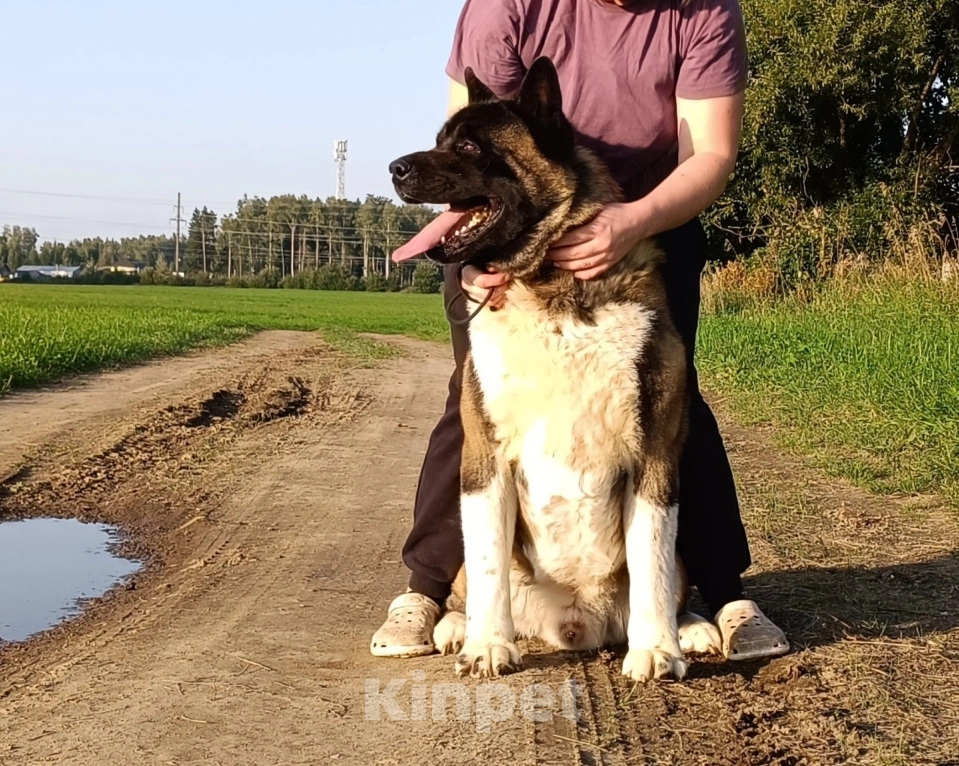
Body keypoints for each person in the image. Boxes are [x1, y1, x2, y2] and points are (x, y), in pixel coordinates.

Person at [371, 0, 789, 663]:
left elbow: (709, 152)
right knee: (475, 409)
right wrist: (478, 257)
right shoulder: (504, 8)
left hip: (650, 213)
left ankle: (723, 593)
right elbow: (473, 134)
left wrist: (631, 221)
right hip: (511, 223)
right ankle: (427, 591)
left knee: (671, 406)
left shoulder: (703, 11)